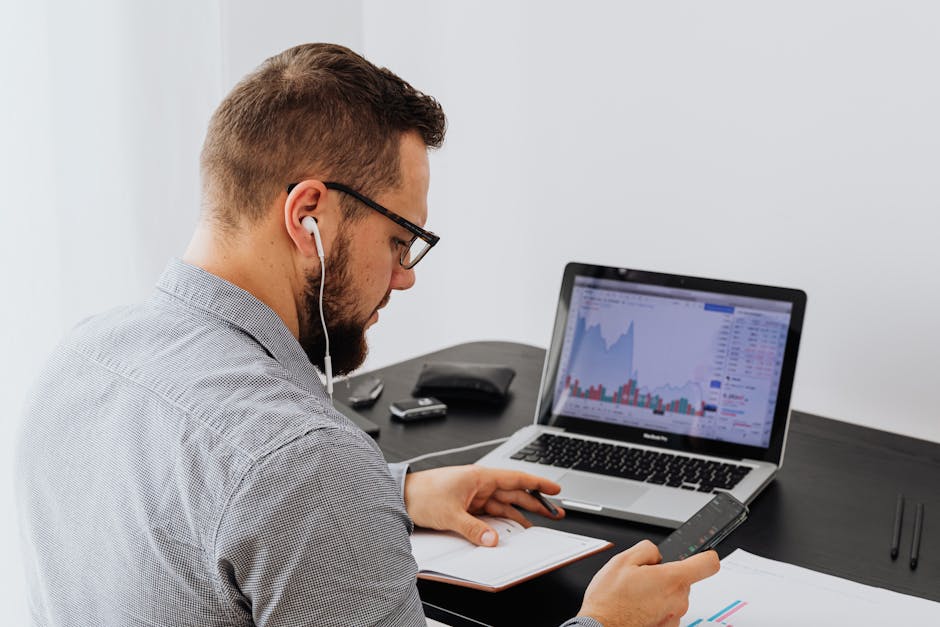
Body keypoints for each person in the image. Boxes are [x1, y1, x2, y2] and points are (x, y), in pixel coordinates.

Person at [15, 43, 718, 627]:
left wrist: (396, 493)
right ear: (308, 216)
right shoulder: (304, 464)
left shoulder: (80, 357)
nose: (405, 276)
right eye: (399, 239)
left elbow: (202, 514)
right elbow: (276, 481)